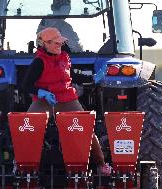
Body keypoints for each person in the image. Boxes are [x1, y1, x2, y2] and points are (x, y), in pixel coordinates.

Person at [22, 27, 111, 174]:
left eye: (60, 43)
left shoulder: (65, 57)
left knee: (86, 128)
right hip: (45, 100)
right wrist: (42, 93)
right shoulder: (39, 62)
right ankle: (22, 165)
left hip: (67, 98)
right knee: (27, 127)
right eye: (56, 43)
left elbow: (72, 76)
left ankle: (101, 164)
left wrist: (92, 78)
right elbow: (26, 85)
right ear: (46, 44)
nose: (59, 45)